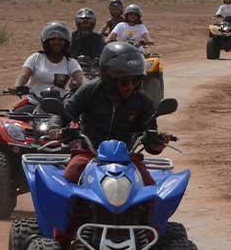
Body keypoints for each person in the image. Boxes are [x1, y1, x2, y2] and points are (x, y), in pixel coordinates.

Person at [49, 42, 165, 185]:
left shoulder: (142, 100)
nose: (130, 86)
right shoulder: (90, 91)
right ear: (110, 78)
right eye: (124, 82)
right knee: (69, 178)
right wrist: (55, 127)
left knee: (149, 186)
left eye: (135, 80)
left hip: (126, 157)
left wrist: (156, 142)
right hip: (90, 153)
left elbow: (149, 132)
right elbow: (65, 111)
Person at [15, 22, 84, 95]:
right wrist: (18, 86)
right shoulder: (35, 58)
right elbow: (23, 76)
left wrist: (90, 87)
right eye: (52, 39)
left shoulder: (70, 62)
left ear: (66, 43)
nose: (56, 42)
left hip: (62, 103)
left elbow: (81, 79)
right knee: (21, 107)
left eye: (60, 40)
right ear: (46, 42)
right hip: (34, 102)